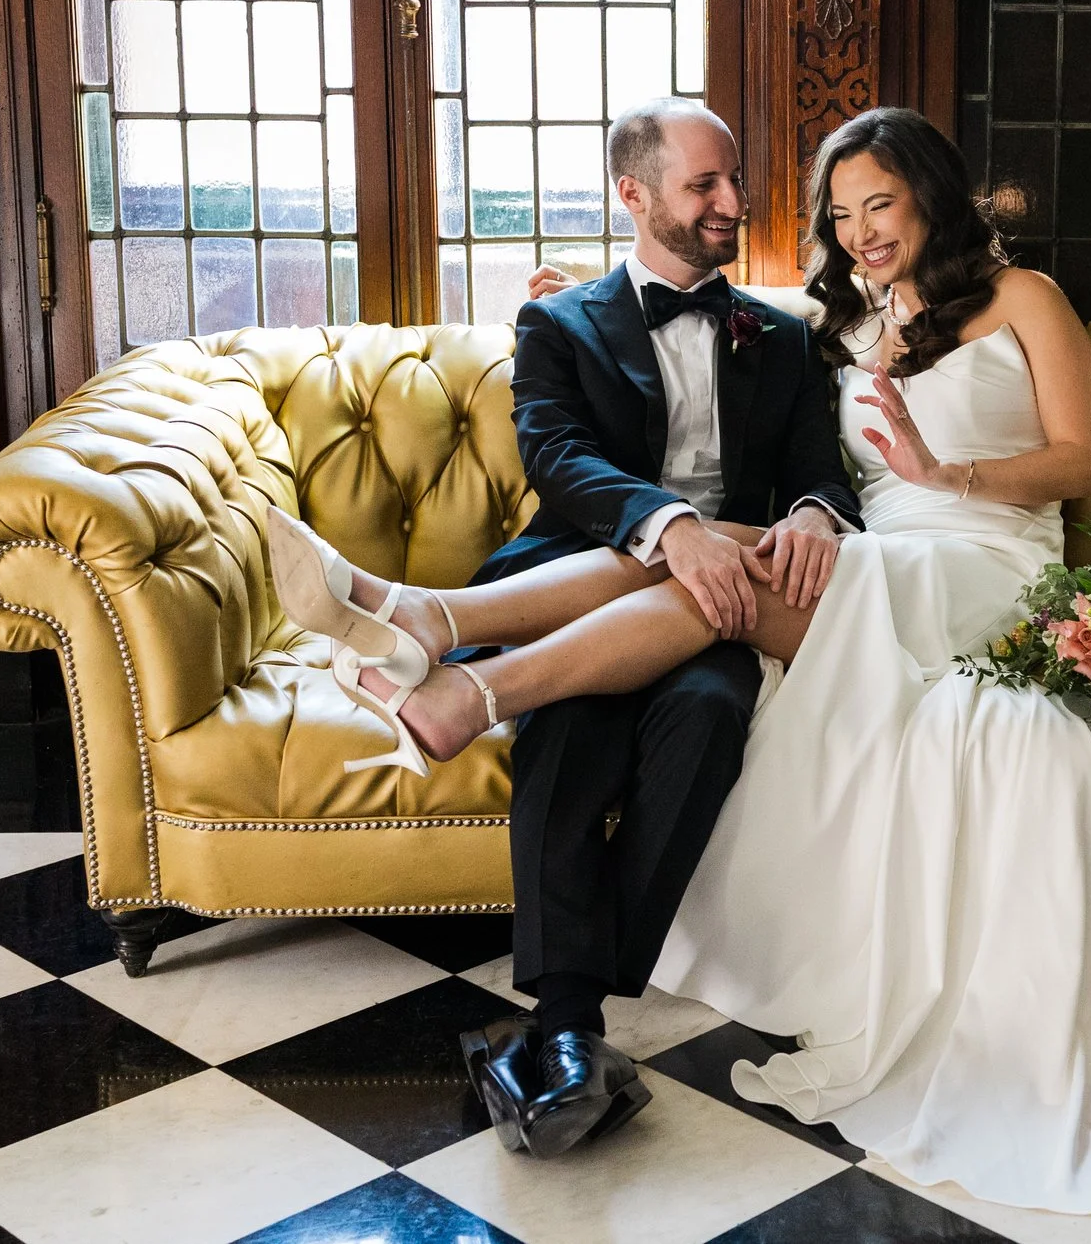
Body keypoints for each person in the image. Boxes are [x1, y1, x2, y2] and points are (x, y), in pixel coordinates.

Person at [276, 105, 1091, 1211]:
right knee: (702, 554)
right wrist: (582, 286)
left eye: (880, 206)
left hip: (983, 563)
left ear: (932, 197)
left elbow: (1081, 463)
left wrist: (943, 473)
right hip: (873, 562)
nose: (860, 233)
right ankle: (437, 637)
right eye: (841, 214)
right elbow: (688, 325)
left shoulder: (1025, 298)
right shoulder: (831, 321)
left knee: (720, 567)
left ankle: (460, 664)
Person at [266, 97, 862, 1159]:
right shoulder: (560, 323)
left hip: (714, 613)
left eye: (734, 181)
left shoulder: (778, 336)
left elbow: (821, 469)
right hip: (575, 575)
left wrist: (814, 514)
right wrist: (667, 522)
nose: (733, 201)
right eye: (704, 186)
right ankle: (570, 1025)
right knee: (571, 733)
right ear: (633, 196)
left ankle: (564, 1007)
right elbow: (558, 459)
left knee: (706, 722)